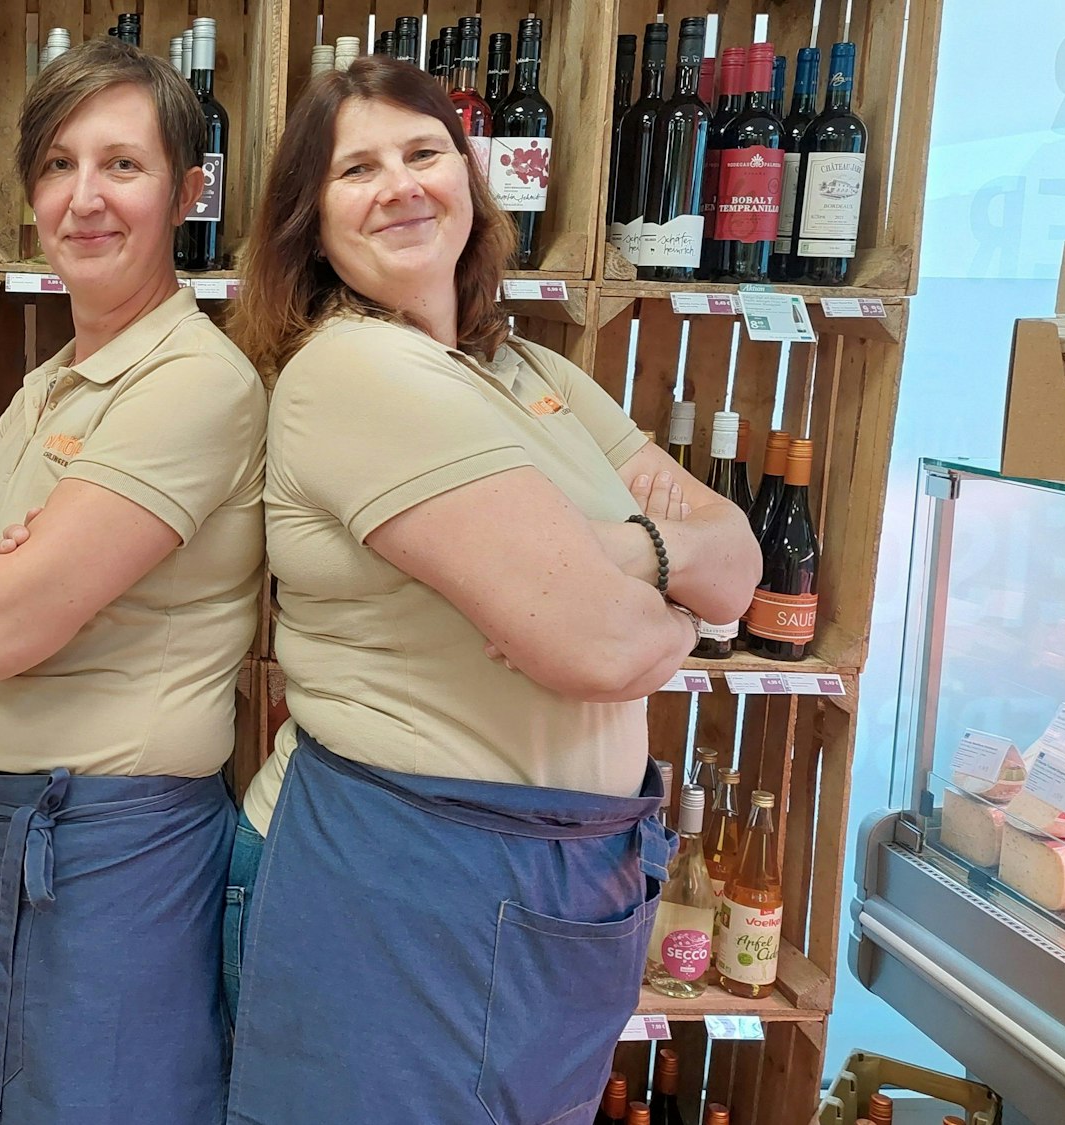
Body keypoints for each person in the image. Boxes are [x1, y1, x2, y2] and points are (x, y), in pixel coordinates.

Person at [221, 56, 762, 1123]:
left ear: (468, 178)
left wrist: (605, 561)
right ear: (306, 221)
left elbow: (738, 560)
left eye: (424, 153)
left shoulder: (527, 373)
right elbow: (601, 652)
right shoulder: (352, 370)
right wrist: (665, 582)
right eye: (355, 169)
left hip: (564, 869)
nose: (402, 184)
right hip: (406, 878)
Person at [0, 37, 266, 1125]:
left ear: (188, 192)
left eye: (122, 166)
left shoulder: (191, 383)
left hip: (96, 853)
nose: (82, 199)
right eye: (57, 165)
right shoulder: (53, 377)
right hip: (0, 835)